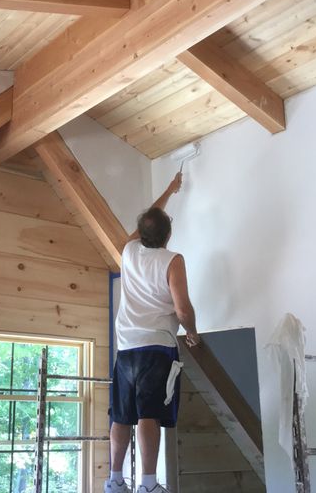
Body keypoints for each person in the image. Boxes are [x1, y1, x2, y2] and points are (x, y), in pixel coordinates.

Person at [104, 172, 199, 493]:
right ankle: (147, 484)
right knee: (149, 413)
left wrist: (169, 190)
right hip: (156, 347)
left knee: (121, 416)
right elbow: (183, 308)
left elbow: (147, 222)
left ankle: (115, 480)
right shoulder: (173, 260)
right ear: (169, 234)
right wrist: (193, 333)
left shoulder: (128, 251)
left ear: (141, 232)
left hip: (126, 348)